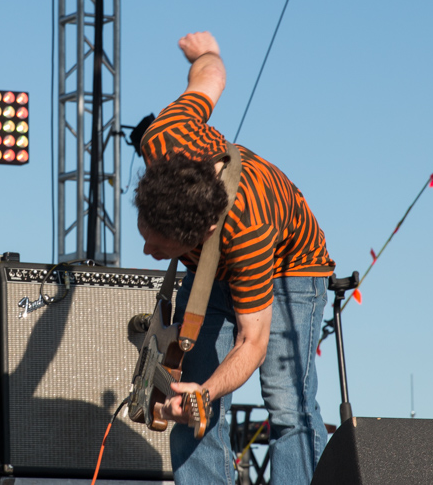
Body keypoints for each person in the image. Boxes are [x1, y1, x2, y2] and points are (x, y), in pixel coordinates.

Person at [133, 31, 334, 485]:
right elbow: (211, 76)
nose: (146, 252)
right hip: (220, 269)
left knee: (287, 406)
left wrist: (205, 393)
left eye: (161, 248)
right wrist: (206, 51)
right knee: (188, 401)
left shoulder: (249, 231)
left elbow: (252, 342)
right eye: (145, 234)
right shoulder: (164, 137)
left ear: (200, 236)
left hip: (290, 268)